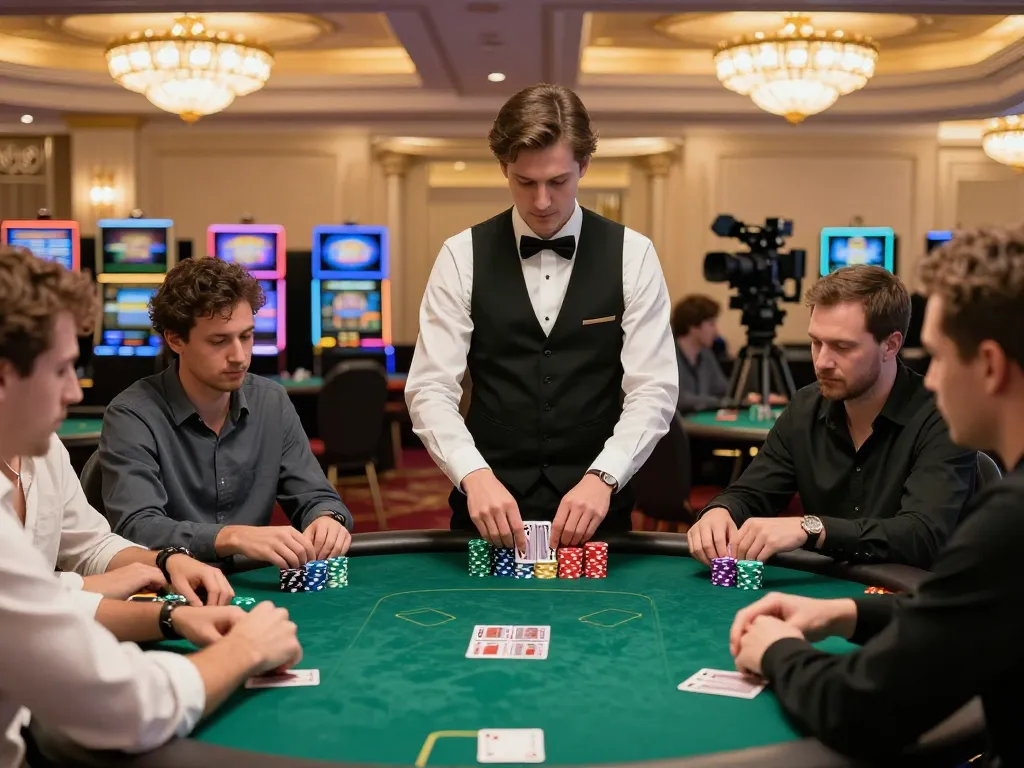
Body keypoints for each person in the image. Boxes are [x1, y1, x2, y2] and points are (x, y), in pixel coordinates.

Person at [729, 225, 1024, 767]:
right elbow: (959, 618)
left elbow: (857, 710)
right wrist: (844, 613)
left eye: (938, 357)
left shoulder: (1011, 521)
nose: (930, 380)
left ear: (989, 365)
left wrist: (777, 651)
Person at [0, 245, 302, 767]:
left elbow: (83, 556)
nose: (74, 392)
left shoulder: (42, 451)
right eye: (63, 369)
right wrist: (246, 648)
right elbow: (124, 709)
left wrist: (166, 575)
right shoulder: (129, 413)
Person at [405, 83, 678, 551]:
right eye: (525, 182)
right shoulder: (460, 255)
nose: (543, 201)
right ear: (503, 168)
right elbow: (430, 388)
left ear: (584, 166)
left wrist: (604, 476)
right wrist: (473, 474)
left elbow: (653, 389)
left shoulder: (633, 254)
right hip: (486, 502)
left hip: (597, 506)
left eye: (558, 181)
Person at [687, 265, 976, 569]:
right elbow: (750, 493)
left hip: (916, 591)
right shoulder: (805, 408)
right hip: (826, 589)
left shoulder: (944, 416)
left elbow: (921, 536)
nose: (822, 361)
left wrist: (812, 528)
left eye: (842, 346)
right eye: (816, 342)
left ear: (890, 345)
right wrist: (720, 511)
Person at [99, 257, 353, 569]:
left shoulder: (271, 402)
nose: (239, 356)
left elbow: (316, 496)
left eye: (246, 336)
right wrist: (231, 537)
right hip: (169, 585)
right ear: (175, 339)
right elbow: (137, 527)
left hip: (249, 585)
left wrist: (326, 518)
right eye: (219, 341)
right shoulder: (131, 414)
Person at [6, 433, 235, 607]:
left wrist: (166, 561)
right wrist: (86, 586)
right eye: (58, 378)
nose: (75, 393)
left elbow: (90, 546)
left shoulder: (47, 445)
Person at [672, 295, 730, 413]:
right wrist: (719, 402)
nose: (716, 331)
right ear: (693, 326)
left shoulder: (706, 354)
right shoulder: (668, 355)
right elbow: (677, 398)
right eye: (711, 324)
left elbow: (723, 390)